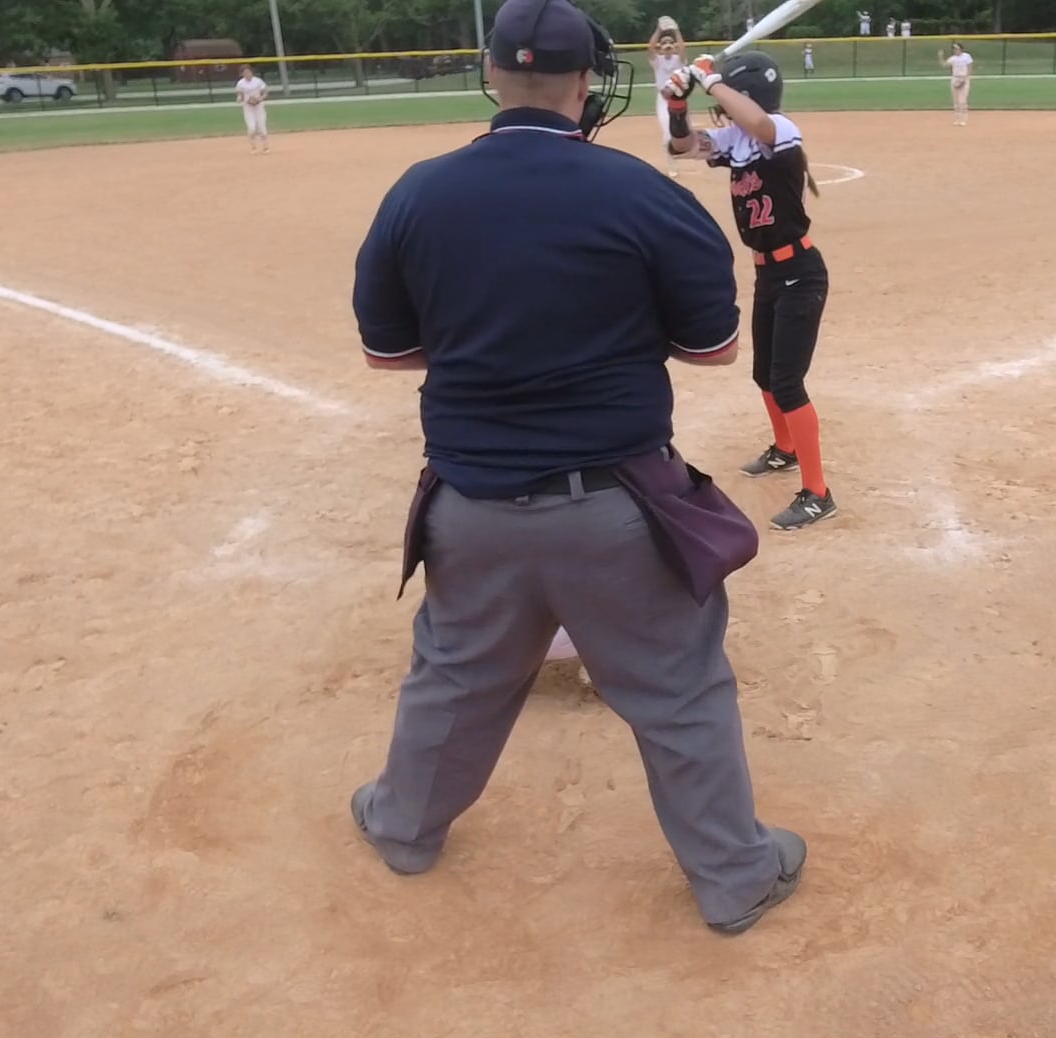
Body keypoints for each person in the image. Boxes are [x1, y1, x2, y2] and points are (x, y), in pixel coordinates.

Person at [349, 0, 806, 935]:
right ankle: (733, 878)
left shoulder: (418, 193)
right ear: (590, 80)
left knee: (455, 673)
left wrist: (495, 341)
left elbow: (388, 353)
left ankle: (403, 826)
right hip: (616, 506)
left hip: (469, 501)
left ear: (490, 73)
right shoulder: (640, 194)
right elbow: (713, 347)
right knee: (678, 690)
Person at [667, 52, 838, 531]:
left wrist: (709, 80)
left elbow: (760, 123)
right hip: (768, 274)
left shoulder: (778, 128)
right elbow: (683, 146)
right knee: (764, 375)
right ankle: (785, 448)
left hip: (800, 272)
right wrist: (677, 105)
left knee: (787, 382)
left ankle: (818, 494)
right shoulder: (736, 140)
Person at [648, 17, 690, 176]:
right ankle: (672, 164)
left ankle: (684, 152)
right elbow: (651, 47)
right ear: (661, 47)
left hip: (679, 99)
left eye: (670, 43)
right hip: (663, 101)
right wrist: (659, 30)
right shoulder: (657, 61)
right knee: (667, 133)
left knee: (683, 131)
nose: (667, 45)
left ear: (674, 47)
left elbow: (682, 47)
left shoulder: (679, 60)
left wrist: (676, 31)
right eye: (664, 43)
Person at [234, 64, 269, 153]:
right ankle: (254, 147)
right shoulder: (240, 83)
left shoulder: (258, 81)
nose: (247, 74)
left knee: (262, 128)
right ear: (242, 74)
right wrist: (239, 98)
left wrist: (261, 98)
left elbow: (265, 92)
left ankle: (265, 147)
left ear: (252, 72)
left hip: (259, 106)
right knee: (252, 128)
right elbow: (240, 95)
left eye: (249, 72)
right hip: (248, 107)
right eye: (245, 73)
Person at [941, 42, 973, 125]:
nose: (955, 50)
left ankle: (964, 119)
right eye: (954, 49)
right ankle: (957, 119)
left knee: (962, 100)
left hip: (964, 78)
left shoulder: (966, 56)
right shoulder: (953, 58)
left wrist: (965, 79)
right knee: (956, 100)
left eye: (956, 48)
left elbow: (969, 68)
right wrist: (940, 56)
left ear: (961, 49)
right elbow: (944, 64)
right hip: (955, 78)